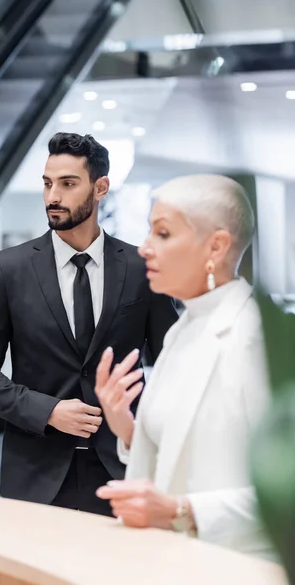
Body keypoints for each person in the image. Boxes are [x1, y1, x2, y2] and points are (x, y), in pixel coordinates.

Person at [0, 132, 177, 516]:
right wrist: (47, 410)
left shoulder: (141, 268)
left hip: (124, 471)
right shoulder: (10, 268)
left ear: (100, 187)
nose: (52, 197)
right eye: (47, 183)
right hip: (35, 474)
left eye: (68, 183)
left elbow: (175, 364)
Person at [95, 174, 275, 560]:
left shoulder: (255, 338)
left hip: (235, 566)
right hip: (173, 561)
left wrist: (183, 511)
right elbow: (179, 449)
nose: (144, 249)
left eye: (162, 234)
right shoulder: (185, 328)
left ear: (216, 245)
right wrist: (126, 426)